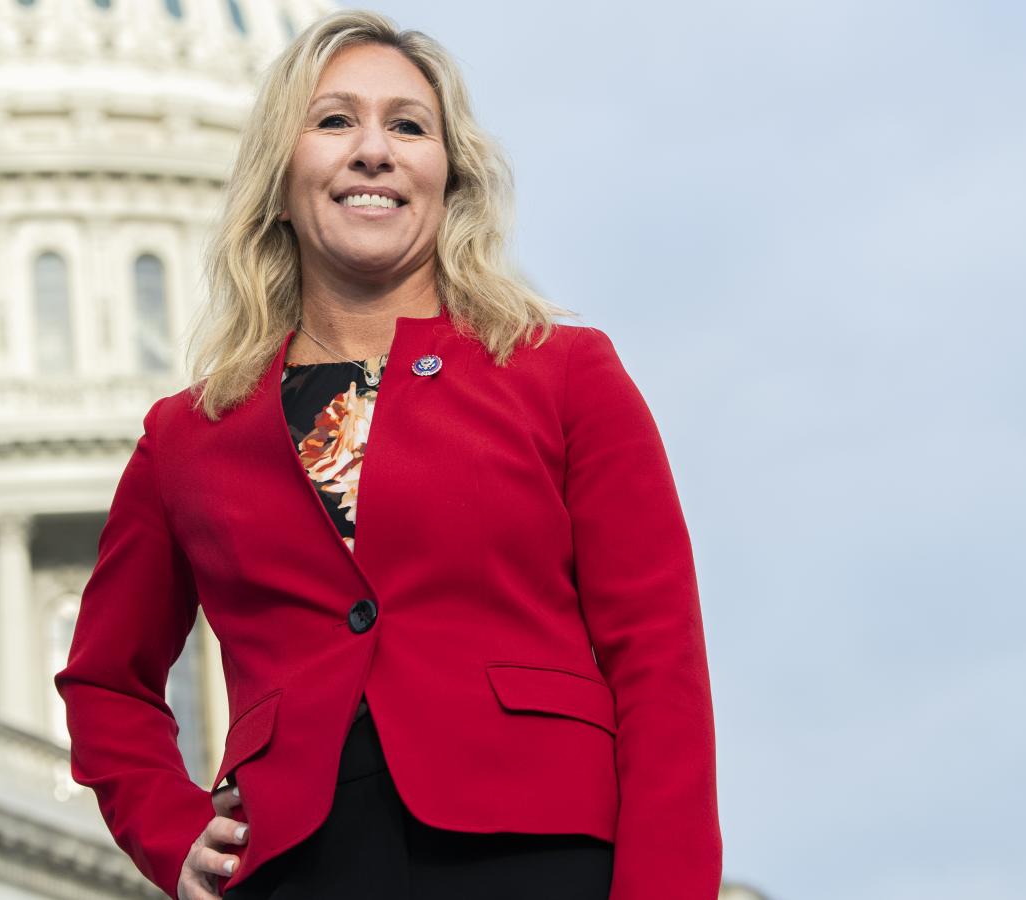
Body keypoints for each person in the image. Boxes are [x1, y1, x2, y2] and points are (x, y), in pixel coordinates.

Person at [53, 10, 721, 900]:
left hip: (537, 852)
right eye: (335, 121)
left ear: (450, 177)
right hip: (301, 865)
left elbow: (658, 663)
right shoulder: (190, 436)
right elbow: (105, 679)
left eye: (408, 126)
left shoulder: (564, 373)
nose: (374, 151)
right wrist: (170, 831)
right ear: (280, 180)